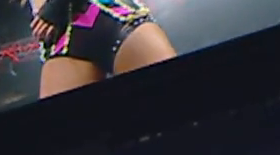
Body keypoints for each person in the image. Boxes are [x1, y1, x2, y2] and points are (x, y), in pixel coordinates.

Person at [26, 0, 178, 100]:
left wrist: (56, 6)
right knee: (60, 135)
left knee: (174, 99)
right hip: (61, 37)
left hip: (107, 11)